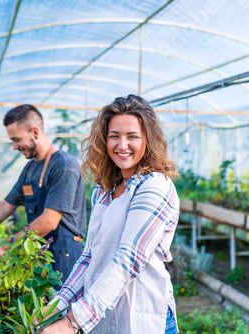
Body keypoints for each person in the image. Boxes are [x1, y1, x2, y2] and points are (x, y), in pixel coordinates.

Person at [39, 95, 180, 334]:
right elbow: (89, 257)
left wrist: (73, 322)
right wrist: (56, 306)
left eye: (132, 136)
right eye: (114, 136)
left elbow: (128, 260)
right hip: (101, 316)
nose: (121, 145)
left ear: (149, 140)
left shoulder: (155, 186)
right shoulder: (104, 191)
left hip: (142, 316)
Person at [0, 104, 87, 283]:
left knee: (61, 310)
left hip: (64, 254)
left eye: (17, 139)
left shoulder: (64, 165)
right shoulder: (30, 168)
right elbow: (6, 205)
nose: (14, 146)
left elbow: (49, 221)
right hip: (38, 253)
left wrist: (4, 246)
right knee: (41, 308)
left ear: (35, 132)